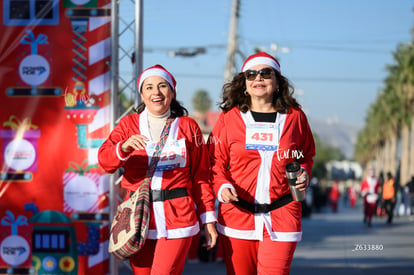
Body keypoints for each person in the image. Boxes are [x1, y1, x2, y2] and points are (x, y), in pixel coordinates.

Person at [98, 64, 218, 274]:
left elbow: (201, 176)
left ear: (172, 92)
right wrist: (123, 147)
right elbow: (105, 161)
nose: (156, 92)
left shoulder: (188, 126)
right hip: (138, 219)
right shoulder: (128, 125)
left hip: (178, 215)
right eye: (149, 87)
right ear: (142, 94)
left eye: (163, 86)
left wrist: (208, 219)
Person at [207, 52, 315, 275]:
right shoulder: (229, 118)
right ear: (245, 84)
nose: (258, 78)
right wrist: (222, 186)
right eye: (251, 74)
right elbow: (214, 161)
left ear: (277, 83)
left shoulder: (295, 117)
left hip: (282, 214)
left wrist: (303, 172)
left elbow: (305, 155)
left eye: (266, 73)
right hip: (238, 216)